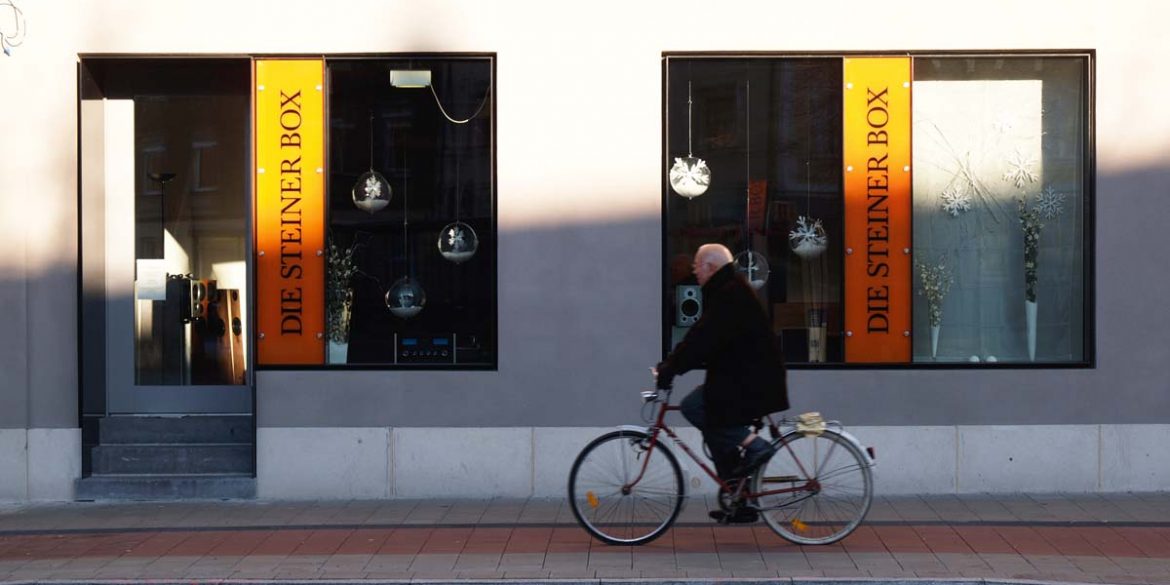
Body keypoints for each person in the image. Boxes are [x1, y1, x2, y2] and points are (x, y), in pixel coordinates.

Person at [655, 243, 788, 522]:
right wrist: (674, 364)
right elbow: (704, 337)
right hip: (742, 377)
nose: (694, 272)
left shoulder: (729, 294)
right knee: (712, 425)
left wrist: (671, 368)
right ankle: (738, 498)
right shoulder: (727, 290)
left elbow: (702, 339)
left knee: (694, 407)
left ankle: (756, 446)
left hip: (751, 380)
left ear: (710, 267)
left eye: (696, 266)